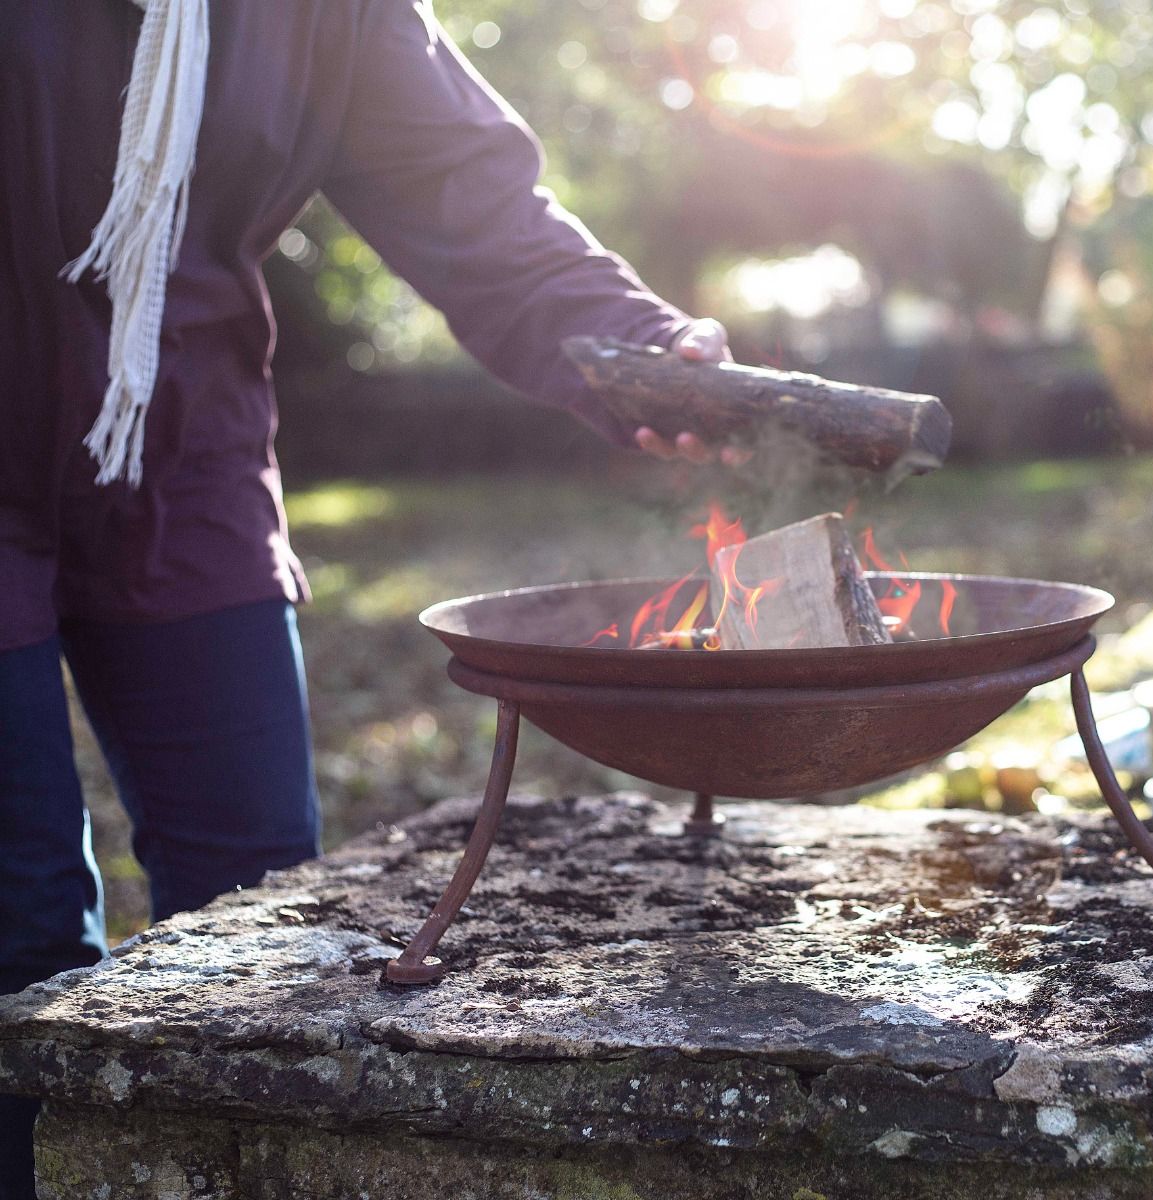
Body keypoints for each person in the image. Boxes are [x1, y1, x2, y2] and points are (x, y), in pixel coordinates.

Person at [0, 1, 745, 1190]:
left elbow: (469, 196)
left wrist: (642, 348)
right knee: (18, 932)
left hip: (183, 438)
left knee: (253, 912)